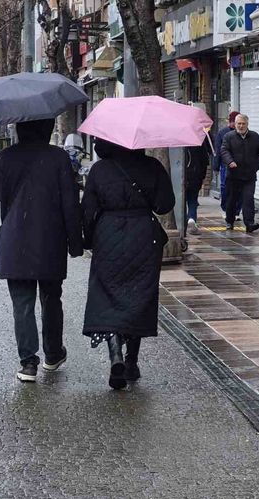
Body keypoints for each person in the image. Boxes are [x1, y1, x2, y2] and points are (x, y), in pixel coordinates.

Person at [0, 118, 83, 383]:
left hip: (14, 238)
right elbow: (70, 203)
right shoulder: (59, 159)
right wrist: (76, 243)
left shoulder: (5, 158)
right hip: (50, 239)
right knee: (51, 299)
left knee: (22, 303)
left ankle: (28, 362)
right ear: (47, 127)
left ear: (19, 128)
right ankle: (52, 354)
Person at [82, 139, 175, 390]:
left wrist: (89, 240)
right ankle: (132, 362)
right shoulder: (152, 166)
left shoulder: (100, 170)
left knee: (108, 296)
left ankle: (116, 356)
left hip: (108, 236)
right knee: (138, 297)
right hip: (144, 237)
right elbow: (165, 205)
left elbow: (87, 210)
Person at [220, 114, 259, 233]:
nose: (241, 126)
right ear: (235, 124)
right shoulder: (229, 136)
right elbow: (224, 151)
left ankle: (249, 223)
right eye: (239, 123)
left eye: (243, 123)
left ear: (247, 124)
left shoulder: (254, 136)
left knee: (248, 199)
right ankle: (229, 221)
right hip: (233, 175)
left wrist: (256, 167)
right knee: (231, 199)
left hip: (249, 175)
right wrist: (230, 162)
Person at [214, 111, 242, 220]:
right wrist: (216, 166)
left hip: (239, 166)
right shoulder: (222, 133)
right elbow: (218, 151)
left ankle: (236, 211)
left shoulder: (242, 133)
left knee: (238, 189)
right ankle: (226, 209)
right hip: (225, 166)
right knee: (225, 188)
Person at [184, 134, 212, 235]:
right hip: (195, 175)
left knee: (180, 200)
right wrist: (202, 176)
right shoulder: (198, 139)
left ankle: (183, 222)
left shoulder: (176, 139)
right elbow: (205, 160)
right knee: (192, 199)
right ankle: (191, 218)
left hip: (180, 175)